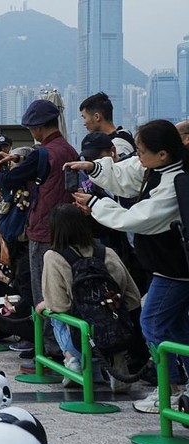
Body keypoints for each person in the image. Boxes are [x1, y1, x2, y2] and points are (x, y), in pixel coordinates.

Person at [67, 119, 189, 413]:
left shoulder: (176, 182)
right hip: (167, 267)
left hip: (176, 271)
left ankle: (170, 387)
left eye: (142, 151)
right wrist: (95, 169)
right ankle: (177, 385)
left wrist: (96, 204)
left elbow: (139, 218)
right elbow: (128, 172)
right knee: (176, 327)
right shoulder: (158, 168)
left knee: (152, 322)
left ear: (163, 154)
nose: (137, 156)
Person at [0, 99, 78, 358]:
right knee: (64, 292)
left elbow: (10, 180)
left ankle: (48, 349)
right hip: (68, 229)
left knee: (43, 293)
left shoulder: (42, 154)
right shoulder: (69, 151)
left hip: (41, 230)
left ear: (38, 128)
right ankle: (67, 347)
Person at [36, 204, 140, 391]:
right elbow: (133, 298)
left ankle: (72, 360)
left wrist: (43, 306)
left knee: (52, 314)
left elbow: (59, 305)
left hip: (81, 339)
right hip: (117, 336)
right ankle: (116, 362)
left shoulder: (53, 256)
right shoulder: (106, 252)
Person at [79, 92, 136, 159]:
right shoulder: (124, 134)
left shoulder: (118, 145)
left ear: (97, 117)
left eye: (84, 117)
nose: (84, 123)